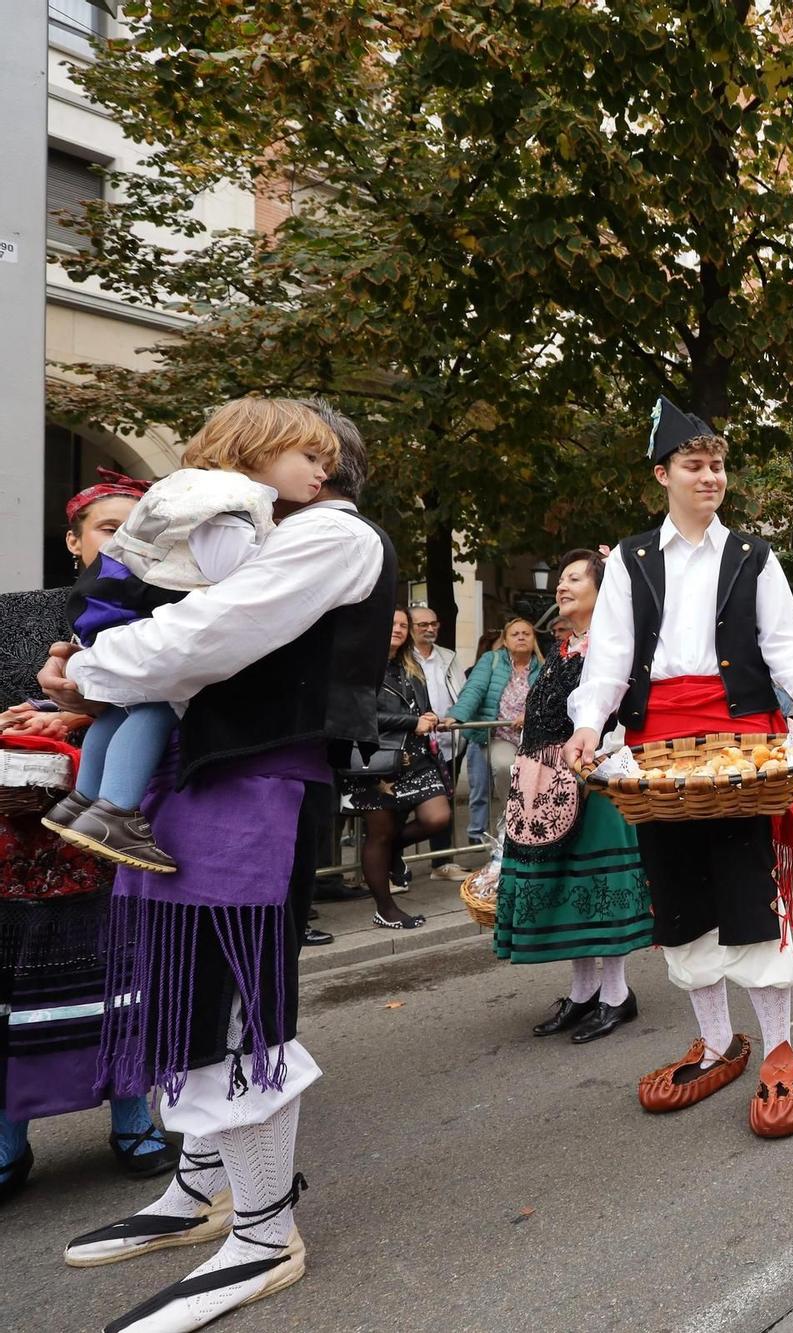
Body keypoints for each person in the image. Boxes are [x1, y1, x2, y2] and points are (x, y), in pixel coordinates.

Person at [47, 399, 394, 1331]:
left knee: (236, 1005)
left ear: (320, 464)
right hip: (206, 780)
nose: (234, 474)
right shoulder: (276, 532)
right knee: (185, 992)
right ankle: (204, 1185)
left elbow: (212, 636)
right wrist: (99, 664)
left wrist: (91, 667)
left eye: (257, 455)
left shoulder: (333, 536)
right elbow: (186, 639)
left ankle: (266, 1228)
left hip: (261, 785)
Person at [560, 395, 793, 1140]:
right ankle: (718, 1040)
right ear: (663, 474)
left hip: (742, 739)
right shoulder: (629, 559)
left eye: (717, 464)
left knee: (749, 888)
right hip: (657, 746)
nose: (711, 476)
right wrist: (589, 724)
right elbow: (612, 653)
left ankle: (778, 1044)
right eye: (695, 464)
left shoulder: (753, 554)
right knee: (679, 895)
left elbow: (783, 641)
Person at [47, 401, 334, 874]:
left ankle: (83, 802)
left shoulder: (192, 486)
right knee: (157, 705)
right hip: (138, 611)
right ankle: (116, 810)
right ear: (257, 449)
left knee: (122, 709)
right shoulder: (236, 500)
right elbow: (230, 571)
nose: (320, 473)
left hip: (108, 603)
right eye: (310, 457)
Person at [1, 475, 171, 1205]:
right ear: (74, 540)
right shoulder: (23, 614)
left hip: (109, 841)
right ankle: (7, 1141)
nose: (122, 538)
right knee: (13, 994)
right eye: (107, 526)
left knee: (119, 984)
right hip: (15, 848)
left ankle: (134, 1120)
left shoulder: (165, 606)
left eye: (135, 526)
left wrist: (74, 716)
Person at [491, 551, 648, 1044]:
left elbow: (621, 714)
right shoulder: (564, 648)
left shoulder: (614, 645)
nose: (562, 586)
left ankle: (617, 996)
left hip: (594, 778)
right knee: (569, 889)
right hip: (548, 781)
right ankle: (583, 994)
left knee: (598, 888)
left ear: (604, 591)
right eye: (560, 578)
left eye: (575, 578)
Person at [339, 609, 447, 931]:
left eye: (403, 625)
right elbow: (360, 715)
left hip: (415, 758)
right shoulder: (360, 665)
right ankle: (385, 908)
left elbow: (421, 707)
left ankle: (392, 849)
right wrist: (413, 722)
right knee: (380, 834)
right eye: (392, 624)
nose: (398, 629)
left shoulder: (411, 665)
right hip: (376, 761)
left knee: (438, 817)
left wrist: (429, 717)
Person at [450, 617, 543, 847]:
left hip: (534, 738)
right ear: (505, 640)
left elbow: (551, 700)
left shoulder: (544, 666)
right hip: (499, 736)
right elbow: (474, 689)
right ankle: (514, 819)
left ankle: (535, 826)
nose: (521, 637)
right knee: (505, 766)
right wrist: (456, 716)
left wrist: (531, 715)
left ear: (534, 640)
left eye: (526, 633)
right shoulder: (491, 660)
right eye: (515, 634)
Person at [407, 605, 467, 879]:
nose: (430, 629)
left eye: (434, 623)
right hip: (412, 743)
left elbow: (462, 692)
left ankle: (441, 862)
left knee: (445, 802)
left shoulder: (448, 656)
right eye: (422, 625)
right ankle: (392, 863)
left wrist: (456, 717)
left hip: (446, 743)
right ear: (410, 627)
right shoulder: (402, 655)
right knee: (405, 806)